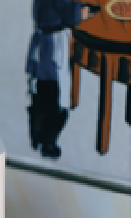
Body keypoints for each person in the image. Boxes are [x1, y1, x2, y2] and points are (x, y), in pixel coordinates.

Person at [26, 0, 92, 159]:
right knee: (55, 98)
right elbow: (70, 16)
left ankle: (39, 133)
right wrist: (81, 14)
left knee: (44, 88)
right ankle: (46, 136)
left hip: (44, 40)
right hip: (55, 42)